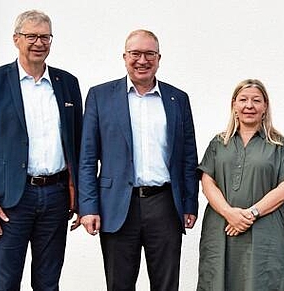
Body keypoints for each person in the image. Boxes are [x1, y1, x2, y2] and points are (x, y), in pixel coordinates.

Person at [0, 10, 82, 290]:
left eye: (45, 37)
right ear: (16, 39)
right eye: (31, 36)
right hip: (11, 201)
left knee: (48, 282)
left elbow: (78, 144)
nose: (38, 43)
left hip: (56, 198)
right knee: (6, 282)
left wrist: (79, 192)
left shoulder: (67, 83)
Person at [78, 29, 198, 290]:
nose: (142, 60)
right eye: (135, 53)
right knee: (119, 284)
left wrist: (190, 203)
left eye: (149, 54)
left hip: (165, 205)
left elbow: (188, 157)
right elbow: (87, 157)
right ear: (124, 57)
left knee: (166, 284)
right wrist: (88, 207)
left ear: (159, 58)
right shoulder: (100, 96)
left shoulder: (178, 99)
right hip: (117, 206)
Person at [196, 79, 284, 291]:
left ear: (265, 107)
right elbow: (208, 182)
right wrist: (229, 213)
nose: (249, 106)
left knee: (262, 283)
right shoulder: (219, 143)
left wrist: (250, 214)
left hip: (266, 233)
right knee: (216, 281)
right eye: (243, 100)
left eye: (256, 100)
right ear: (234, 105)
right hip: (221, 229)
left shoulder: (279, 145)